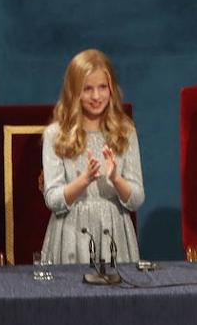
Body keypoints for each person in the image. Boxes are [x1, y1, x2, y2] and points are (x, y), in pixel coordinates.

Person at [40, 48, 144, 264]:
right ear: (73, 91)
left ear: (111, 89)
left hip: (115, 234)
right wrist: (83, 180)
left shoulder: (125, 132)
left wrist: (116, 179)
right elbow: (53, 199)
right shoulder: (55, 135)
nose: (96, 96)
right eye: (87, 89)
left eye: (102, 87)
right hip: (70, 235)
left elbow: (136, 199)